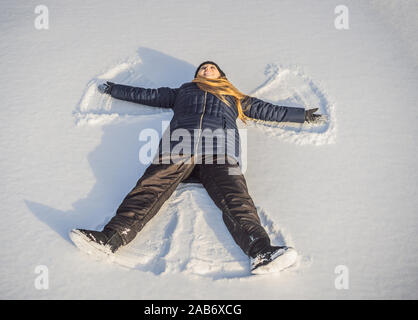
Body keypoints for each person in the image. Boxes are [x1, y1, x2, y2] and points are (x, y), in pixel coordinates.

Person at [70, 61, 324, 274]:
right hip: (180, 145)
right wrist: (115, 89)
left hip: (220, 150)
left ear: (221, 75)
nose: (206, 69)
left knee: (236, 197)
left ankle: (260, 251)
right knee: (149, 188)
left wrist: (301, 115)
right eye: (203, 68)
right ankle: (111, 238)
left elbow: (269, 110)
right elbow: (149, 95)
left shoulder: (234, 98)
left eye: (211, 67)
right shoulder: (184, 91)